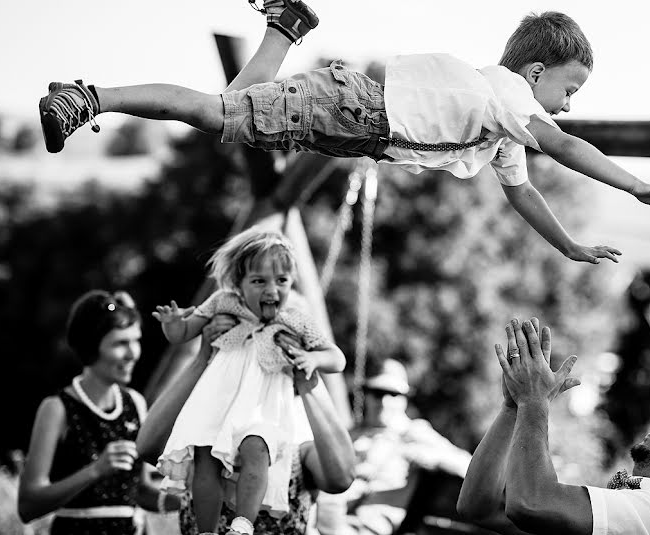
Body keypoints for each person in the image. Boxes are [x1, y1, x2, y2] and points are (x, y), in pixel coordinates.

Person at [38, 0, 650, 265]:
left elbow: (522, 194)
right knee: (216, 115)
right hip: (355, 110)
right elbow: (567, 148)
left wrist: (570, 245)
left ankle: (286, 25)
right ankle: (89, 97)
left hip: (354, 125)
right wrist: (636, 185)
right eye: (570, 90)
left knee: (231, 116)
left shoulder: (505, 120)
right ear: (537, 73)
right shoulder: (514, 100)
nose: (569, 106)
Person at [458, 318, 650, 535]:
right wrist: (513, 409)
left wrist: (533, 403)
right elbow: (479, 508)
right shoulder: (639, 509)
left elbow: (531, 503)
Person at [152, 227, 346, 535]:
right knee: (205, 457)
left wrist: (313, 360)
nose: (273, 290)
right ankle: (207, 530)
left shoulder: (293, 321)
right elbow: (183, 333)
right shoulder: (224, 304)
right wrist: (174, 324)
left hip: (261, 407)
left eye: (282, 281)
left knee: (258, 448)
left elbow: (336, 357)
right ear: (237, 285)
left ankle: (242, 524)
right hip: (218, 402)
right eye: (259, 281)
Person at [137, 313, 356, 535]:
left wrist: (307, 376)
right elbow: (148, 448)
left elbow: (340, 478)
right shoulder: (202, 441)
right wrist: (203, 359)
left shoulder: (297, 452)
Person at [17, 290, 180, 534]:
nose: (133, 353)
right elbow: (28, 505)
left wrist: (195, 498)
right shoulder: (57, 409)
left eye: (136, 340)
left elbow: (141, 491)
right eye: (120, 343)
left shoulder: (135, 403)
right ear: (91, 346)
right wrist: (95, 470)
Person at [315, 359, 472, 535]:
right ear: (366, 394)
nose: (383, 401)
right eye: (378, 393)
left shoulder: (413, 432)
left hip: (363, 527)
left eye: (393, 394)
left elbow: (466, 464)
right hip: (326, 516)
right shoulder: (353, 433)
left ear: (405, 399)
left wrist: (433, 458)